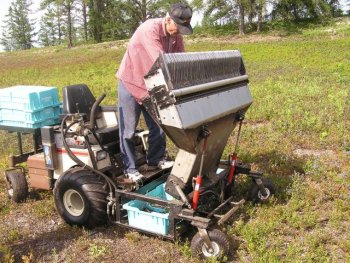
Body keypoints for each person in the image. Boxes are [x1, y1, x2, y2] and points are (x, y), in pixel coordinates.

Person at [116, 3, 193, 182]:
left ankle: (155, 160)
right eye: (178, 27)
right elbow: (161, 62)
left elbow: (179, 60)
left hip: (151, 85)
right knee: (128, 130)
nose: (179, 32)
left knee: (158, 125)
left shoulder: (175, 36)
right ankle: (130, 169)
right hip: (131, 82)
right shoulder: (149, 30)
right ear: (168, 20)